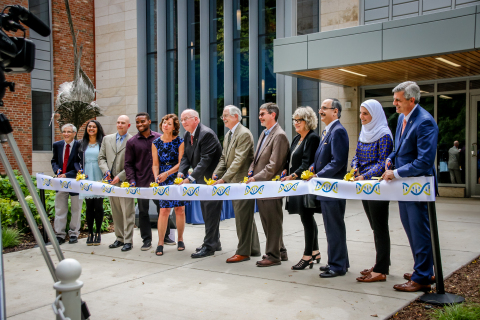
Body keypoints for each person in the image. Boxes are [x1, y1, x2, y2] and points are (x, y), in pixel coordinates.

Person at [382, 81, 438, 292]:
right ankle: (422, 269)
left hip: (417, 187)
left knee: (419, 231)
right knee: (411, 230)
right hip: (404, 186)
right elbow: (400, 149)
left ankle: (422, 278)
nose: (394, 104)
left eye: (398, 100)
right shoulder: (401, 118)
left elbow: (424, 161)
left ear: (411, 100)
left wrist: (394, 173)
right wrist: (391, 158)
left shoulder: (424, 122)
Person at [351, 100, 394, 283]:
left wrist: (365, 175)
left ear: (375, 115)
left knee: (380, 226)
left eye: (366, 114)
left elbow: (382, 162)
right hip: (364, 185)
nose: (362, 117)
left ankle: (381, 269)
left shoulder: (384, 135)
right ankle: (381, 264)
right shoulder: (364, 132)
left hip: (377, 186)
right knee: (374, 227)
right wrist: (354, 168)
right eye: (361, 113)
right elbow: (357, 155)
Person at [213, 105, 261, 263]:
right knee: (245, 216)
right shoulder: (229, 134)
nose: (223, 118)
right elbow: (224, 158)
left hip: (242, 182)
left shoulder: (244, 134)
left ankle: (243, 252)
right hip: (234, 182)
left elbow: (238, 160)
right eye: (223, 115)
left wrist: (224, 179)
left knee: (242, 217)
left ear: (236, 117)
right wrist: (216, 174)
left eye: (226, 115)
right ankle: (253, 249)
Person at [309, 98, 349, 278]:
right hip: (326, 189)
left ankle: (337, 266)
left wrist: (319, 175)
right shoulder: (328, 131)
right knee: (332, 227)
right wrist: (313, 168)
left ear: (336, 112)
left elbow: (338, 162)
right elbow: (323, 158)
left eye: (324, 108)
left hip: (333, 188)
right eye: (321, 107)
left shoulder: (338, 131)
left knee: (334, 227)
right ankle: (339, 261)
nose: (320, 111)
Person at [247, 102, 290, 267]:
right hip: (261, 185)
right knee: (267, 220)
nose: (260, 117)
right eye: (259, 114)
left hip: (270, 185)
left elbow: (274, 165)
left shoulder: (279, 135)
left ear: (273, 115)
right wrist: (251, 171)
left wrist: (255, 178)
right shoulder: (265, 134)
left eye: (263, 113)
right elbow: (256, 159)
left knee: (272, 221)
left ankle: (273, 256)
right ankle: (281, 251)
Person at [178, 109, 223, 258]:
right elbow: (185, 156)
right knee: (207, 212)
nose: (183, 122)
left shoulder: (206, 134)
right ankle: (214, 242)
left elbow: (205, 160)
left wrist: (190, 178)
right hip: (201, 181)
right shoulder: (187, 135)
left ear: (196, 119)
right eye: (182, 119)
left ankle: (209, 246)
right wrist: (180, 173)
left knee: (211, 213)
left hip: (211, 180)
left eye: (186, 119)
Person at [281, 107, 321, 270]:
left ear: (308, 121)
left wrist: (293, 175)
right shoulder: (298, 137)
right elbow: (290, 159)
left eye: (299, 120)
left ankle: (307, 256)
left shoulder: (312, 138)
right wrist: (285, 170)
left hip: (304, 184)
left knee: (307, 217)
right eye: (295, 120)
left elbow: (307, 162)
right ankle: (315, 251)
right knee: (307, 217)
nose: (296, 123)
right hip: (297, 184)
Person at [124, 112, 171, 251]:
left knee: (163, 208)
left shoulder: (160, 138)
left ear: (149, 121)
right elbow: (128, 164)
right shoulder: (131, 142)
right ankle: (146, 240)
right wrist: (132, 180)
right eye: (137, 122)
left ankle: (166, 236)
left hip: (159, 181)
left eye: (143, 121)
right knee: (143, 211)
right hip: (141, 182)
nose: (140, 124)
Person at [98, 115, 135, 252]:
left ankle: (128, 240)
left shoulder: (132, 140)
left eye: (123, 123)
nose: (120, 125)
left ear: (128, 125)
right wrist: (106, 171)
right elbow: (101, 158)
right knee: (116, 211)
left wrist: (120, 176)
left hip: (125, 182)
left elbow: (133, 163)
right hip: (111, 182)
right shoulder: (107, 139)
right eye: (118, 122)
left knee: (128, 212)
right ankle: (119, 238)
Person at [152, 114, 187, 256]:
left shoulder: (180, 141)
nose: (165, 125)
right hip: (162, 178)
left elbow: (181, 163)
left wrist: (167, 173)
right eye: (164, 123)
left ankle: (180, 239)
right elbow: (155, 164)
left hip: (176, 176)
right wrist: (156, 178)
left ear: (174, 127)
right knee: (164, 211)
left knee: (180, 209)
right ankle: (160, 242)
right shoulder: (155, 143)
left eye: (169, 123)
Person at [50, 124, 82, 245]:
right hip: (60, 182)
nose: (66, 134)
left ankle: (74, 234)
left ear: (74, 133)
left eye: (69, 131)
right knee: (60, 209)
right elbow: (54, 161)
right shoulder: (57, 145)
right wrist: (57, 170)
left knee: (76, 209)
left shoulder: (80, 145)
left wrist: (67, 174)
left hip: (74, 181)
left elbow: (80, 164)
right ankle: (60, 235)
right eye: (64, 131)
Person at [77, 120, 106, 246]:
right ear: (86, 129)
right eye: (89, 126)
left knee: (98, 205)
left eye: (94, 127)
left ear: (98, 129)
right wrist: (79, 170)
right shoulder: (81, 143)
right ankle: (90, 233)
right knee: (89, 206)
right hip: (87, 175)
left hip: (99, 175)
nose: (91, 128)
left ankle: (98, 232)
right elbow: (76, 160)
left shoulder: (102, 143)